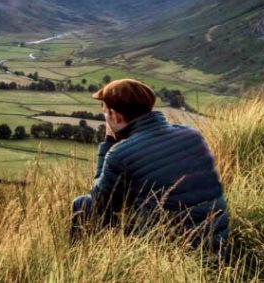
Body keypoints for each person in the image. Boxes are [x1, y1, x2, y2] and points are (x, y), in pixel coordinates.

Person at [71, 79, 228, 250]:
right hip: (218, 245)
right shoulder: (192, 134)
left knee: (83, 204)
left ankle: (83, 264)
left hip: (167, 254)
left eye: (105, 113)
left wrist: (109, 141)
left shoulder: (120, 154)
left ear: (115, 115)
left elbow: (100, 202)